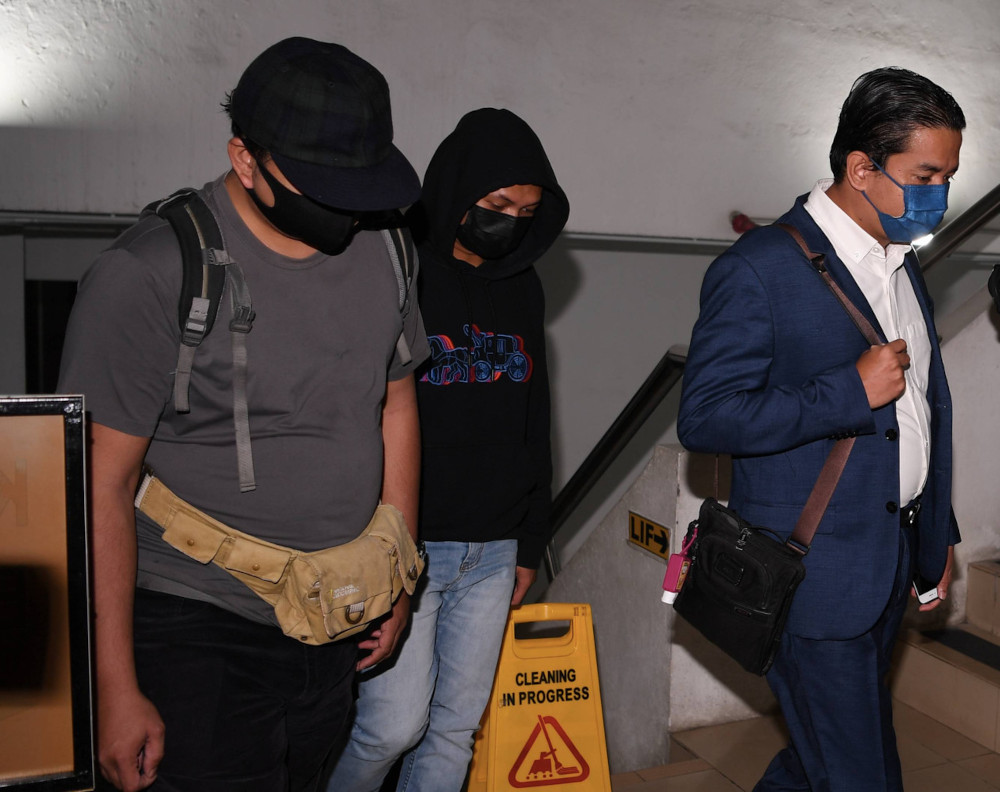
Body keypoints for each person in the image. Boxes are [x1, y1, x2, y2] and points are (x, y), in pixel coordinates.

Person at [58, 37, 428, 792]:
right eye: (323, 186)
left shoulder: (389, 249)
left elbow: (396, 402)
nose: (350, 209)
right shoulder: (149, 272)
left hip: (334, 616)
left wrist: (396, 571)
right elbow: (100, 485)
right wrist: (112, 686)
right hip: (196, 621)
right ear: (246, 159)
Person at [677, 67, 964, 792]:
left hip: (889, 558)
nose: (940, 194)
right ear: (859, 167)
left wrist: (936, 533)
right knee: (860, 775)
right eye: (925, 175)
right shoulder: (761, 269)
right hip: (812, 577)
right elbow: (706, 415)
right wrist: (847, 392)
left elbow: (920, 411)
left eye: (949, 175)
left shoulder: (901, 264)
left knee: (818, 760)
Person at [326, 108, 569, 792]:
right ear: (458, 192)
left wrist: (530, 542)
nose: (512, 222)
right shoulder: (398, 273)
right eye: (497, 205)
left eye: (526, 210)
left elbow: (535, 417)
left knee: (456, 733)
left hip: (493, 553)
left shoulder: (523, 286)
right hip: (412, 548)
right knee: (390, 728)